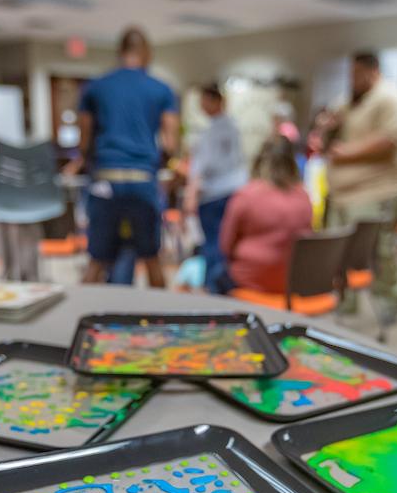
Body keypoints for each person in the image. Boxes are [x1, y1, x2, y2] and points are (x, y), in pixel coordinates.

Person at [65, 26, 179, 287]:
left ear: (120, 52)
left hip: (106, 180)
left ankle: (82, 320)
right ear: (146, 53)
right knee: (152, 259)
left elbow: (83, 142)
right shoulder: (161, 89)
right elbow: (170, 143)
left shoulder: (94, 87)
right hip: (142, 181)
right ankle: (162, 321)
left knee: (97, 260)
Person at [323, 51, 397, 320]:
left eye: (357, 74)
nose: (353, 79)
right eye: (350, 75)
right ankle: (345, 299)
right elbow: (331, 123)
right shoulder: (351, 101)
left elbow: (390, 139)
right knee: (339, 250)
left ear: (373, 71)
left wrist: (347, 152)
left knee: (379, 250)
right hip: (344, 193)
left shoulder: (390, 97)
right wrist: (327, 127)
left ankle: (388, 302)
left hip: (376, 190)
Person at [211, 135, 314, 295]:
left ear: (259, 160)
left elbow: (225, 246)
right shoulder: (304, 197)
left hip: (249, 281)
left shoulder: (246, 195)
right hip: (291, 284)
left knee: (213, 275)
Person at [186, 83, 247, 285]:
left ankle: (213, 288)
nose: (201, 105)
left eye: (204, 100)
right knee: (225, 243)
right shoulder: (232, 126)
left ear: (216, 101)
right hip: (232, 191)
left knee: (213, 245)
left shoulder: (213, 130)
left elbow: (203, 166)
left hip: (214, 195)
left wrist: (191, 195)